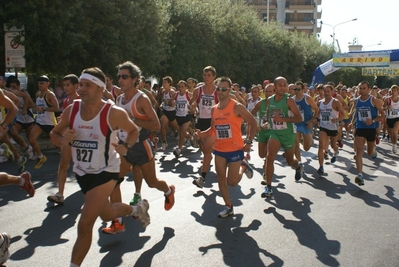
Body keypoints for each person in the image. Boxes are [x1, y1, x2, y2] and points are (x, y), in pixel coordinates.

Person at [50, 67, 150, 267]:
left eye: (88, 85)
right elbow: (54, 134)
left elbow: (133, 131)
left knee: (85, 222)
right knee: (107, 213)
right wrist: (63, 139)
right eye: (81, 85)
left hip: (106, 171)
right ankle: (136, 209)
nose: (82, 89)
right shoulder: (72, 110)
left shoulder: (113, 113)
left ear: (100, 88)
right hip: (82, 172)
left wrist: (126, 147)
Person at [101, 61, 174, 235]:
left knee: (152, 182)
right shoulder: (119, 99)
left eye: (125, 77)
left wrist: (133, 121)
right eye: (119, 76)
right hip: (124, 147)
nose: (121, 80)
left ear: (134, 79)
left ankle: (169, 190)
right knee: (114, 182)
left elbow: (156, 124)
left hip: (142, 146)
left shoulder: (141, 99)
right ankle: (117, 221)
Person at [194, 76, 257, 217]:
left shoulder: (237, 107)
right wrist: (200, 135)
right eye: (218, 89)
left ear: (229, 90)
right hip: (220, 150)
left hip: (235, 149)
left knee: (232, 182)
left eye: (224, 89)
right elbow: (212, 130)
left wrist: (248, 141)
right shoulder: (214, 109)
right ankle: (228, 206)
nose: (221, 91)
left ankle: (244, 166)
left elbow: (253, 123)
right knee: (221, 178)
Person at [261, 77, 303, 198]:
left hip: (288, 135)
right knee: (269, 158)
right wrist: (267, 122)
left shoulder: (289, 100)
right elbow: (269, 113)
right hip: (275, 134)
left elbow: (299, 118)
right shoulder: (269, 100)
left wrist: (283, 119)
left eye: (285, 85)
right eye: (280, 85)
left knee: (290, 161)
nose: (283, 87)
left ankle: (298, 166)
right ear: (275, 86)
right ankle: (268, 187)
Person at [48, 74, 80, 205]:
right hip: (68, 138)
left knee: (84, 169)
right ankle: (60, 194)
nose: (65, 87)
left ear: (76, 86)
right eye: (64, 85)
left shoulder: (82, 100)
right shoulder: (67, 101)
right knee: (63, 164)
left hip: (83, 140)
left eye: (68, 85)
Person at [190, 66, 219, 188]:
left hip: (213, 122)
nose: (206, 77)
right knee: (202, 147)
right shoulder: (198, 90)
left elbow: (222, 104)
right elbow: (192, 102)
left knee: (207, 149)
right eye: (205, 75)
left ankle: (202, 178)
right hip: (201, 121)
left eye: (209, 75)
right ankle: (209, 157)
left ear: (214, 77)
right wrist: (192, 106)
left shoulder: (218, 91)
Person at [353, 81, 385, 185]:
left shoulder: (374, 100)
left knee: (369, 153)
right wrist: (352, 123)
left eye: (364, 88)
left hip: (371, 128)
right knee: (359, 151)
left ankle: (374, 151)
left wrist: (373, 120)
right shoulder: (356, 101)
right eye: (360, 88)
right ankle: (360, 175)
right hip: (360, 127)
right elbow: (356, 113)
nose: (361, 90)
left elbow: (383, 115)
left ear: (368, 89)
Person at [314, 85, 345, 176]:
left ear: (332, 92)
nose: (326, 93)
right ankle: (321, 167)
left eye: (328, 91)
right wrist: (315, 119)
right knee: (321, 146)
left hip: (333, 127)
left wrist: (337, 120)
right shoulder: (320, 102)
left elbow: (342, 114)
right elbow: (317, 114)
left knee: (332, 145)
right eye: (325, 91)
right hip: (323, 127)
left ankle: (336, 150)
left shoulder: (335, 102)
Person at [29, 75, 59, 169]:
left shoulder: (50, 94)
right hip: (40, 122)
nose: (39, 85)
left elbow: (56, 108)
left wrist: (43, 109)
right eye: (38, 83)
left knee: (57, 143)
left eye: (42, 83)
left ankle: (67, 155)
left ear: (48, 83)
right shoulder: (38, 94)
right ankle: (41, 157)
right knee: (32, 139)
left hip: (50, 123)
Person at [251, 83, 275, 185]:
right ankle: (266, 162)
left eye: (270, 91)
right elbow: (250, 114)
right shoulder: (260, 103)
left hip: (273, 132)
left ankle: (266, 173)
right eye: (266, 91)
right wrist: (255, 125)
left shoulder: (278, 103)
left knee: (269, 156)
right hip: (262, 132)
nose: (268, 93)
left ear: (274, 92)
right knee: (261, 154)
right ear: (263, 92)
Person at [292, 81, 319, 170]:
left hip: (306, 124)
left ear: (303, 90)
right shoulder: (291, 100)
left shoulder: (308, 98)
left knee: (306, 148)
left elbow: (317, 109)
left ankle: (310, 141)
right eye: (295, 89)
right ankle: (299, 163)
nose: (296, 91)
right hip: (296, 124)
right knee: (296, 145)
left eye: (298, 89)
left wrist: (312, 120)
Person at [0, 89, 27, 173]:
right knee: (8, 143)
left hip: (4, 121)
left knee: (14, 136)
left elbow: (15, 105)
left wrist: (4, 124)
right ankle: (19, 158)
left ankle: (3, 151)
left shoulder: (4, 92)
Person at [172, 80, 195, 158]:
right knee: (183, 133)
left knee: (181, 133)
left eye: (182, 87)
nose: (180, 88)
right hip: (178, 116)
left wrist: (193, 109)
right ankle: (191, 137)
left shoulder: (189, 95)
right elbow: (169, 102)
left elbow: (195, 103)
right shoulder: (175, 95)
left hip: (186, 116)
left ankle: (179, 149)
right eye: (179, 87)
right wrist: (171, 103)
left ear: (185, 88)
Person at [159, 76, 179, 150]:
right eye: (163, 82)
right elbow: (163, 101)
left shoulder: (172, 92)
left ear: (169, 83)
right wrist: (162, 105)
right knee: (162, 126)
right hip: (165, 111)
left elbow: (174, 104)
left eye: (165, 82)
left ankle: (185, 135)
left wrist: (168, 102)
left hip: (172, 112)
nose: (163, 84)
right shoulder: (163, 92)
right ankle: (164, 142)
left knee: (177, 127)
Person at [384, 85, 399, 154]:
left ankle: (395, 146)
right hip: (389, 118)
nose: (393, 92)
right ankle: (394, 143)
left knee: (394, 132)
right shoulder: (387, 99)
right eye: (392, 90)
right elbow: (382, 107)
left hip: (397, 118)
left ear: (398, 92)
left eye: (395, 91)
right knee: (391, 134)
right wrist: (387, 107)